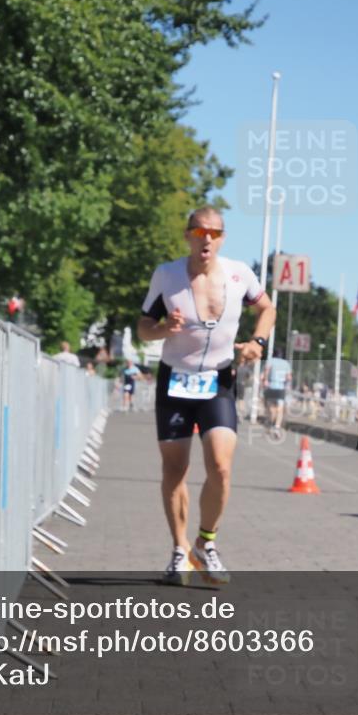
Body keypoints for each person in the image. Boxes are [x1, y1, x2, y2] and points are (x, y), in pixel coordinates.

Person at [137, 206, 276, 585]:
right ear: (187, 236)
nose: (206, 240)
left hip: (217, 380)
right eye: (199, 233)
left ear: (223, 238)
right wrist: (164, 328)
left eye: (214, 233)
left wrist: (258, 343)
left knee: (221, 466)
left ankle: (206, 543)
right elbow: (143, 327)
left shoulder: (238, 275)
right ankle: (180, 550)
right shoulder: (166, 275)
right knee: (175, 469)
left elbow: (267, 308)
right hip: (175, 381)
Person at [262, 348, 292, 432]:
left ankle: (271, 423)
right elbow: (289, 377)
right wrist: (286, 383)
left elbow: (266, 370)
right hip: (281, 387)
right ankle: (277, 427)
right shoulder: (286, 363)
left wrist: (265, 380)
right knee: (280, 409)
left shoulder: (271, 361)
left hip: (271, 386)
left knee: (271, 407)